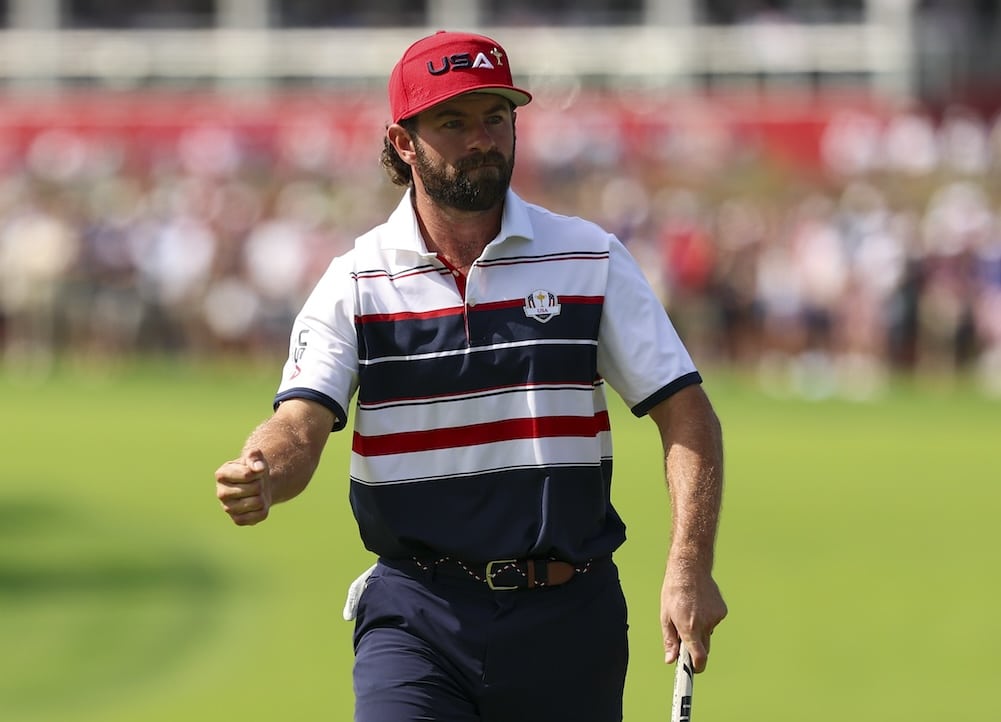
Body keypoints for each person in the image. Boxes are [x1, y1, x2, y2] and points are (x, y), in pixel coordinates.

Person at [215, 30, 727, 722]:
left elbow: (686, 414)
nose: (481, 138)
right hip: (416, 616)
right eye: (452, 122)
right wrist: (263, 471)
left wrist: (688, 564)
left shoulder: (590, 258)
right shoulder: (355, 282)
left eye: (495, 117)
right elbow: (299, 424)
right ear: (403, 142)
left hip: (569, 618)